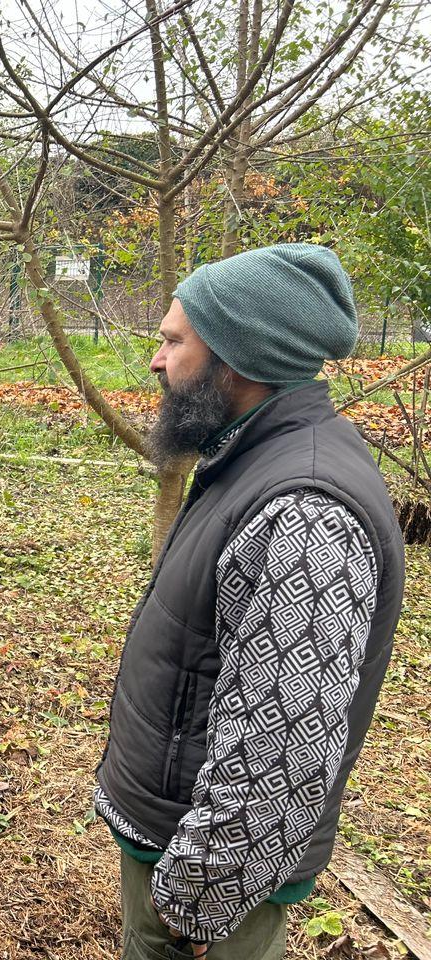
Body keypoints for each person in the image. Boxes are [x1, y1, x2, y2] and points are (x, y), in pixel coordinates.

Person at [95, 244, 406, 959]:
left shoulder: (304, 510)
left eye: (174, 341)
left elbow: (285, 752)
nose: (155, 359)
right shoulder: (255, 458)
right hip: (181, 850)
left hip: (205, 896)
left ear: (234, 357)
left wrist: (198, 902)